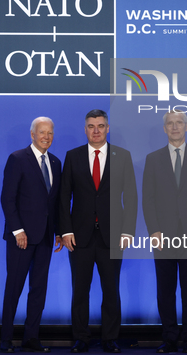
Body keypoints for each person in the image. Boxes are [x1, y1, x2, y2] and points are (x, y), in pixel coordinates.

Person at [60, 109, 137, 353]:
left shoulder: (122, 156)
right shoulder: (72, 156)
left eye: (100, 126)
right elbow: (63, 198)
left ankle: (109, 338)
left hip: (113, 236)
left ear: (107, 128)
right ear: (85, 129)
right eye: (91, 126)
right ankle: (81, 337)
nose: (96, 130)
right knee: (79, 291)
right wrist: (65, 230)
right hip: (79, 237)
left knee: (111, 290)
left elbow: (132, 197)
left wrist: (128, 232)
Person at [142, 111, 187, 353]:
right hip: (163, 236)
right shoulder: (152, 159)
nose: (174, 127)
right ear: (164, 129)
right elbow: (148, 199)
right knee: (166, 290)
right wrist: (153, 231)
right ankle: (170, 336)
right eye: (170, 124)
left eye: (179, 123)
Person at [0, 117, 63, 353]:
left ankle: (31, 338)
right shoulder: (17, 159)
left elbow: (54, 202)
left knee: (39, 290)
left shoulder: (56, 162)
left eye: (50, 133)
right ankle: (6, 339)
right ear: (32, 134)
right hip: (21, 238)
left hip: (46, 237)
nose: (46, 137)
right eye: (42, 132)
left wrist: (57, 231)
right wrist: (18, 230)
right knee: (14, 288)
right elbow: (8, 198)